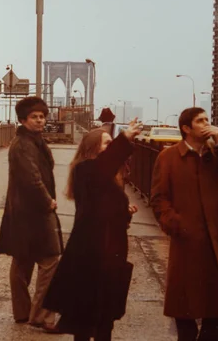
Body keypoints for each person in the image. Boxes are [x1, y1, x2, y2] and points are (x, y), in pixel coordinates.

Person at [150, 107, 218, 341]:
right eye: (200, 120)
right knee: (184, 311)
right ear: (186, 128)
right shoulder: (168, 157)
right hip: (187, 243)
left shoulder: (217, 154)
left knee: (216, 313)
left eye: (208, 119)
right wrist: (176, 224)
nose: (207, 123)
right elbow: (158, 198)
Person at [43, 118, 142, 341]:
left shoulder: (105, 175)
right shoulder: (86, 169)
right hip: (91, 252)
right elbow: (101, 171)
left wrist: (125, 211)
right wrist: (124, 139)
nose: (111, 147)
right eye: (106, 143)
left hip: (107, 251)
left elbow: (104, 208)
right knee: (86, 318)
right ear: (92, 148)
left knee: (103, 317)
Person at [0, 96, 63, 333]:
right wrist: (48, 202)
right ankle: (42, 315)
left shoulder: (32, 141)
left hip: (23, 213)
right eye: (34, 117)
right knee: (50, 259)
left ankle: (23, 312)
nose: (39, 120)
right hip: (34, 212)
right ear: (23, 120)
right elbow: (33, 179)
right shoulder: (24, 145)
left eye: (42, 116)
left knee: (23, 260)